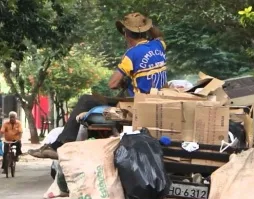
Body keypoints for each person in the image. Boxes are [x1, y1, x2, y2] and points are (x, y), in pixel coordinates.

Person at [28, 12, 167, 160]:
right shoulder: (159, 45)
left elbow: (112, 84)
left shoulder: (131, 54)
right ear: (144, 30)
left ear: (126, 33)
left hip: (136, 103)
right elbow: (158, 35)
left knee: (86, 100)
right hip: (157, 98)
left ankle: (60, 144)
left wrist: (122, 79)